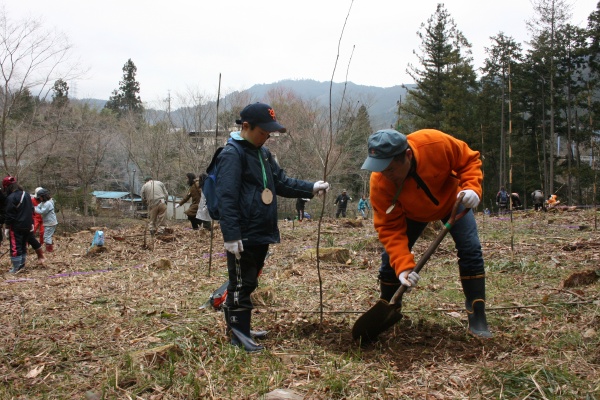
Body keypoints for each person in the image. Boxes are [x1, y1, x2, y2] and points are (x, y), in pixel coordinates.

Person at [216, 102, 329, 352]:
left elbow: (281, 182)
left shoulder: (263, 153)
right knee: (240, 283)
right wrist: (231, 234)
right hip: (243, 234)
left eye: (269, 133)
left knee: (250, 281)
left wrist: (310, 187)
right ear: (246, 126)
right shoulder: (232, 154)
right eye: (262, 132)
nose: (266, 137)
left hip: (261, 231)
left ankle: (243, 329)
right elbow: (227, 197)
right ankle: (237, 334)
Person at [361, 129, 492, 339]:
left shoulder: (434, 143)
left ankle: (477, 313)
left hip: (454, 202)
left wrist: (472, 188)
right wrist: (403, 268)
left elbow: (469, 159)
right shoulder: (380, 182)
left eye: (391, 169)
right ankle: (388, 305)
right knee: (390, 261)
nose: (385, 175)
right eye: (380, 169)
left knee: (470, 249)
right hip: (412, 214)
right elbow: (389, 228)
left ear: (407, 155)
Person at [3, 176, 44, 273]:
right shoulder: (26, 195)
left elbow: (10, 214)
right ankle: (22, 264)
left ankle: (16, 267)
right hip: (28, 223)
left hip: (17, 225)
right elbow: (31, 209)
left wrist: (7, 226)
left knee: (15, 245)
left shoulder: (11, 198)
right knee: (22, 244)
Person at [33, 188, 58, 252]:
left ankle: (49, 249)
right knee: (46, 236)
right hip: (48, 222)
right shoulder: (43, 202)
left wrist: (34, 209)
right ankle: (49, 247)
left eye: (40, 197)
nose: (39, 199)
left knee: (47, 236)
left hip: (51, 222)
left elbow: (42, 211)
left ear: (43, 197)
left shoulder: (48, 204)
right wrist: (35, 207)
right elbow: (38, 206)